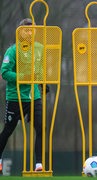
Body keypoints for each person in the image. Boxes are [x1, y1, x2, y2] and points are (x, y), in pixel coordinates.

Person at [0, 18, 44, 174]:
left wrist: (43, 83)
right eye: (26, 30)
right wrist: (23, 76)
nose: (29, 33)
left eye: (32, 30)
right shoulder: (12, 50)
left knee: (40, 128)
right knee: (8, 129)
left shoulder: (39, 48)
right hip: (15, 96)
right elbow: (4, 72)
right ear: (19, 32)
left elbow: (39, 70)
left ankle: (38, 164)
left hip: (34, 96)